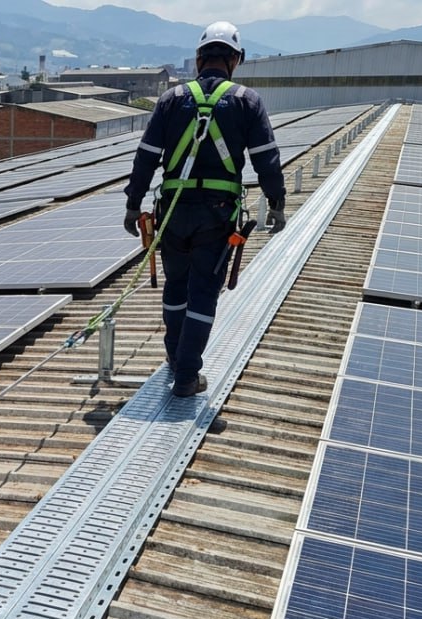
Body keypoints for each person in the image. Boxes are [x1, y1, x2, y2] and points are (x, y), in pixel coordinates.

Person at [123, 21, 286, 397]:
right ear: (236, 59)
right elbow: (266, 159)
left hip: (173, 214)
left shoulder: (171, 99)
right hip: (217, 214)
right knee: (203, 294)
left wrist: (133, 205)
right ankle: (186, 375)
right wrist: (276, 202)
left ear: (199, 58)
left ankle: (175, 358)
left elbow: (146, 157)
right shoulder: (247, 101)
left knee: (176, 287)